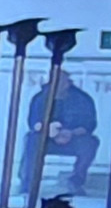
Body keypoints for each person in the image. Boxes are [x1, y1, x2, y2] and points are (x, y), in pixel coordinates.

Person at [31, 62, 100, 196]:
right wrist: (50, 131)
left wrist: (71, 133)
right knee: (31, 140)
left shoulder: (82, 99)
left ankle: (76, 182)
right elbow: (33, 122)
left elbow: (89, 124)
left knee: (91, 143)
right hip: (46, 138)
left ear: (68, 82)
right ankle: (28, 183)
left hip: (75, 139)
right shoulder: (40, 98)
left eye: (62, 80)